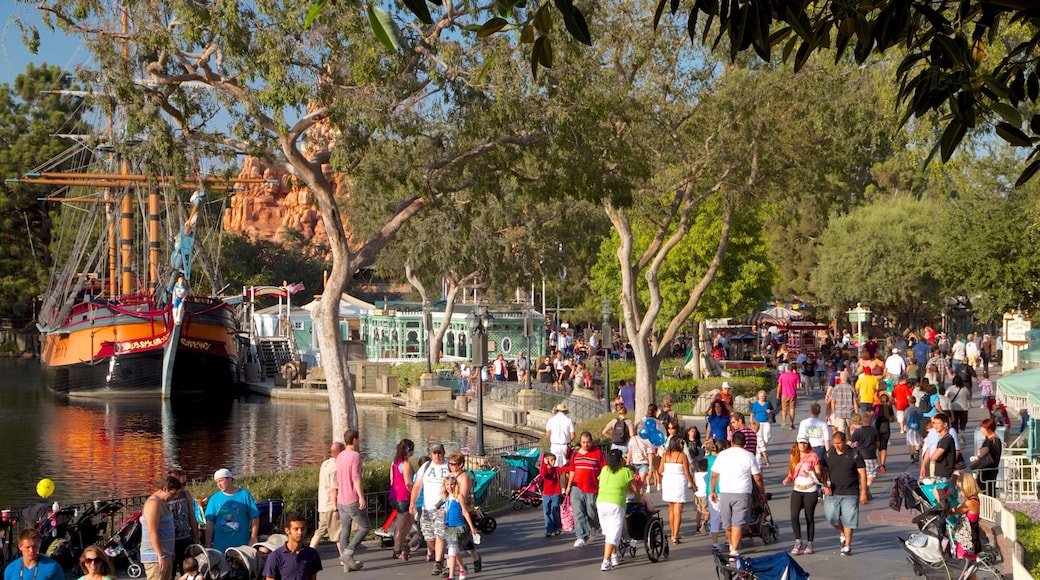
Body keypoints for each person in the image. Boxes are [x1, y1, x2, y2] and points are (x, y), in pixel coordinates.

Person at [709, 431, 765, 560]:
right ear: (744, 443)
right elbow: (757, 477)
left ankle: (732, 546)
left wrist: (712, 491)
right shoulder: (749, 456)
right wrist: (761, 491)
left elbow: (714, 475)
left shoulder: (722, 455)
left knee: (727, 523)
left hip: (725, 492)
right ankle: (734, 549)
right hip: (742, 492)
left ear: (732, 442)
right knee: (738, 522)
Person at [820, 431, 867, 556]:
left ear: (845, 441)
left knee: (849, 520)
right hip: (833, 492)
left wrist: (863, 492)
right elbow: (824, 470)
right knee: (831, 518)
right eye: (835, 443)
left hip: (850, 493)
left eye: (839, 443)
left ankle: (847, 545)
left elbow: (862, 474)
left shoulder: (854, 454)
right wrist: (825, 485)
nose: (837, 446)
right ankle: (843, 533)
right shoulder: (829, 454)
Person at [410, 443, 451, 576]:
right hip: (427, 508)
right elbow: (417, 486)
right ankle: (445, 555)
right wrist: (412, 503)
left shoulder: (449, 467)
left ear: (443, 453)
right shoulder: (426, 467)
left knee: (440, 536)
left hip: (442, 507)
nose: (437, 455)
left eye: (439, 452)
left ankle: (438, 563)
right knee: (428, 536)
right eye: (434, 453)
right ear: (431, 454)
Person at [595, 449, 637, 571]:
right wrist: (640, 499)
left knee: (608, 532)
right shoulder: (626, 471)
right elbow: (634, 488)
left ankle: (614, 555)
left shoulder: (604, 470)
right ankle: (606, 561)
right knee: (613, 534)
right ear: (620, 460)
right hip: (616, 503)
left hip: (601, 502)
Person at [565, 431, 606, 548]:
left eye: (588, 442)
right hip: (576, 487)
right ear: (580, 442)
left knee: (591, 511)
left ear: (591, 442)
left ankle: (595, 527)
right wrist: (568, 486)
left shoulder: (598, 453)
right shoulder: (575, 453)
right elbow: (572, 470)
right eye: (583, 442)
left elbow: (604, 470)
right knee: (578, 513)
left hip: (592, 487)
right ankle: (581, 536)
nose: (586, 445)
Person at [336, 429, 370, 572]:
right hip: (351, 499)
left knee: (345, 530)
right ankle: (349, 552)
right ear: (355, 440)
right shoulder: (355, 456)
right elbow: (356, 478)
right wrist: (361, 497)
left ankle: (346, 564)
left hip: (341, 499)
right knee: (365, 527)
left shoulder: (340, 455)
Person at [782, 439, 822, 555]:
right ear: (797, 444)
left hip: (810, 489)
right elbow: (792, 471)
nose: (803, 445)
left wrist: (812, 473)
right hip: (797, 489)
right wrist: (787, 479)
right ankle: (798, 541)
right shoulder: (794, 455)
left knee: (809, 517)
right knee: (794, 516)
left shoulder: (813, 456)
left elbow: (818, 474)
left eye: (805, 443)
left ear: (808, 444)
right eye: (801, 443)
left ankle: (810, 543)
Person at [205, 469, 259, 552]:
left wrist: (253, 538)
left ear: (230, 479)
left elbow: (255, 517)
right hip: (220, 546)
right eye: (217, 482)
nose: (219, 484)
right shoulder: (214, 499)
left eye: (221, 480)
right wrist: (208, 545)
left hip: (241, 545)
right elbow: (209, 523)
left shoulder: (244, 495)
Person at [446, 453, 483, 572]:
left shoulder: (464, 477)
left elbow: (463, 495)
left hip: (464, 510)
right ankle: (451, 567)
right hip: (452, 512)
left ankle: (475, 558)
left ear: (460, 464)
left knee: (464, 542)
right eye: (449, 464)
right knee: (452, 543)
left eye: (453, 464)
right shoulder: (450, 476)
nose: (450, 466)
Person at [262, 511, 322, 580]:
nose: (300, 532)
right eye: (296, 529)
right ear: (287, 530)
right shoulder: (275, 556)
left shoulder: (312, 554)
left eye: (302, 529)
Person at [658, 436, 697, 544]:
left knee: (671, 509)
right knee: (678, 510)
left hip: (668, 481)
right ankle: (675, 535)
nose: (683, 445)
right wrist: (693, 485)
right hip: (679, 482)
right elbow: (687, 473)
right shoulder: (682, 456)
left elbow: (660, 469)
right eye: (681, 443)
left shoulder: (665, 454)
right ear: (675, 443)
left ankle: (673, 533)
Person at [143, 476, 182, 580]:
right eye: (172, 494)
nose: (173, 498)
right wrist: (160, 555)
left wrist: (170, 552)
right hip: (155, 557)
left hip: (165, 555)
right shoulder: (154, 504)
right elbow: (152, 532)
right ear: (165, 489)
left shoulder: (163, 503)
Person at [440, 475, 477, 580]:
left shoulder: (459, 496)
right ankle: (462, 568)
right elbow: (447, 510)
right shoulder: (446, 497)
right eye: (447, 484)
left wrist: (472, 527)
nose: (449, 487)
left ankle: (451, 576)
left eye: (452, 484)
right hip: (449, 527)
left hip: (459, 527)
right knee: (454, 551)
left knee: (452, 550)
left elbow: (465, 512)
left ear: (455, 485)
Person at [309, 442, 343, 550]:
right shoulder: (335, 467)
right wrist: (335, 508)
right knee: (338, 533)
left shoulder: (325, 464)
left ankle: (309, 552)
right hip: (330, 505)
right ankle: (345, 558)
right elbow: (334, 489)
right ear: (340, 453)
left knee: (320, 531)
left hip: (323, 505)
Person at [949, 474, 982, 580]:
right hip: (967, 541)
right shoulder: (973, 499)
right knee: (969, 573)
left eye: (960, 488)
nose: (959, 491)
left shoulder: (970, 503)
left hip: (967, 544)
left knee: (964, 572)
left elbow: (952, 511)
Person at [167, 470, 200, 571]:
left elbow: (192, 516)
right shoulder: (166, 497)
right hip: (171, 540)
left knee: (187, 570)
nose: (183, 487)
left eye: (185, 483)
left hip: (185, 538)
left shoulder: (186, 494)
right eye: (181, 484)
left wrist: (196, 538)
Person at [387, 439, 415, 560]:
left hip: (394, 494)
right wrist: (415, 494)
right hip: (403, 496)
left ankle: (402, 544)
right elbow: (408, 483)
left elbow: (392, 479)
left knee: (408, 521)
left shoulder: (394, 462)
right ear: (409, 450)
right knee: (402, 524)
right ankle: (397, 549)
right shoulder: (406, 464)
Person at [848, 412, 880, 499]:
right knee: (872, 474)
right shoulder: (874, 430)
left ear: (862, 420)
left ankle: (864, 489)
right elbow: (877, 443)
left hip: (859, 454)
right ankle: (865, 487)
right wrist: (875, 448)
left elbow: (849, 442)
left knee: (860, 474)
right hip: (870, 455)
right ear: (871, 420)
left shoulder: (858, 431)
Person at [970, 418, 1002, 497]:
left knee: (984, 490)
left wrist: (978, 455)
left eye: (983, 428)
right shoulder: (997, 439)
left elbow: (981, 454)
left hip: (986, 469)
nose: (981, 430)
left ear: (989, 429)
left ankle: (986, 507)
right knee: (991, 490)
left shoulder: (990, 441)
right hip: (993, 469)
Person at [925, 413, 958, 481]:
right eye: (934, 423)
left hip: (944, 474)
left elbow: (934, 457)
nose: (935, 426)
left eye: (938, 423)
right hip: (940, 473)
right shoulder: (942, 438)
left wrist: (936, 454)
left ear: (945, 424)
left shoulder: (946, 439)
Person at [540, 452, 564, 537]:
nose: (553, 462)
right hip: (546, 493)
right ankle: (550, 529)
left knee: (555, 511)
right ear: (547, 460)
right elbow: (543, 474)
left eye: (554, 460)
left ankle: (557, 527)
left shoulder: (556, 469)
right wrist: (544, 464)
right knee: (546, 511)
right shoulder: (545, 469)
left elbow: (565, 469)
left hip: (556, 493)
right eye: (551, 460)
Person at [750, 390, 775, 466]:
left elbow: (773, 410)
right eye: (761, 396)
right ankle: (761, 450)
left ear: (765, 396)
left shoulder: (768, 403)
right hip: (758, 422)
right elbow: (752, 413)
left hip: (766, 421)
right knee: (759, 437)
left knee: (767, 437)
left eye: (763, 396)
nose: (762, 397)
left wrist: (770, 411)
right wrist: (751, 422)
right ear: (758, 396)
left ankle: (763, 448)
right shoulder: (756, 404)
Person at [873, 393, 895, 472]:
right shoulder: (889, 407)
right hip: (886, 429)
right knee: (883, 447)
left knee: (878, 447)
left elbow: (873, 417)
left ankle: (877, 463)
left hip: (877, 428)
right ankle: (882, 464)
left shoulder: (876, 407)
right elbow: (892, 419)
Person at [776, 364, 801, 429]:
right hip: (792, 394)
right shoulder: (796, 376)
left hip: (784, 394)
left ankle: (784, 420)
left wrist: (778, 394)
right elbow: (798, 387)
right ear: (793, 369)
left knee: (784, 409)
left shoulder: (782, 375)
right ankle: (791, 423)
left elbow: (779, 385)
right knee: (792, 409)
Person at [905, 396, 924, 463]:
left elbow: (905, 418)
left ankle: (912, 456)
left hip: (909, 428)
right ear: (915, 401)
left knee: (911, 443)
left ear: (909, 402)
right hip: (918, 427)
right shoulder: (919, 409)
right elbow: (921, 417)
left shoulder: (907, 410)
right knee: (918, 441)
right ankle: (917, 451)